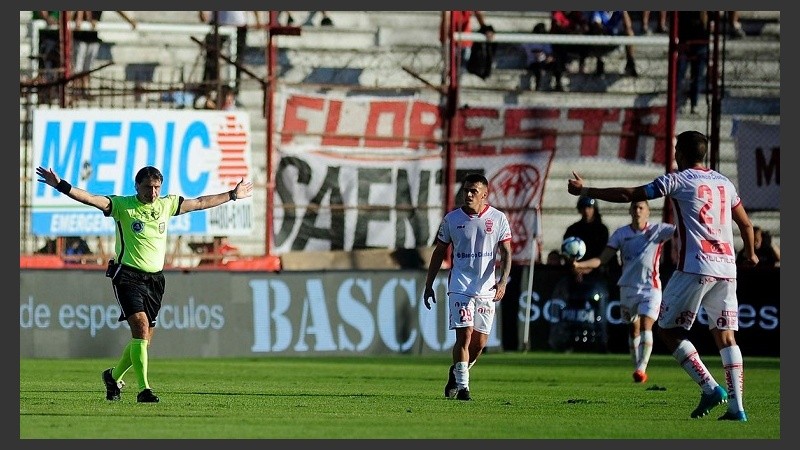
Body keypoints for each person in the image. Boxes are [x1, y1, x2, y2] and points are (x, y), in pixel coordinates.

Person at [567, 130, 757, 422]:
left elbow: (629, 194)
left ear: (681, 153)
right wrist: (751, 254)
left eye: (676, 149)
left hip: (695, 267)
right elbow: (746, 224)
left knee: (668, 331)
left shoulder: (678, 180)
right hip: (726, 268)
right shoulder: (725, 183)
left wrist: (586, 190)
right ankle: (737, 408)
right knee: (727, 337)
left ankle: (709, 387)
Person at [35, 165, 253, 403]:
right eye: (148, 187)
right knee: (139, 326)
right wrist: (60, 185)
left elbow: (200, 202)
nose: (153, 192)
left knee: (144, 340)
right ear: (136, 186)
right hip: (127, 276)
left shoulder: (167, 205)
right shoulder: (122, 206)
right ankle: (144, 389)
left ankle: (112, 377)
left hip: (155, 280)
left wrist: (232, 195)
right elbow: (90, 198)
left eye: (157, 187)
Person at [423, 173, 512, 401]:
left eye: (474, 191)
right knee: (464, 335)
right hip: (460, 286)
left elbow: (506, 253)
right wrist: (429, 284)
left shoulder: (498, 218)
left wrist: (502, 281)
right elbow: (439, 252)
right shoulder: (452, 219)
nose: (469, 195)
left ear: (484, 194)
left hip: (486, 288)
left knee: (479, 343)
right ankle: (463, 388)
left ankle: (456, 372)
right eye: (466, 190)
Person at [572, 200, 676, 383]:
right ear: (630, 210)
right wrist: (580, 265)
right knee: (633, 328)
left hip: (651, 288)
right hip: (628, 288)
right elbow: (602, 259)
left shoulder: (659, 230)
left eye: (641, 208)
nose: (637, 211)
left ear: (648, 212)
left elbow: (683, 230)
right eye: (634, 207)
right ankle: (637, 365)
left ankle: (641, 369)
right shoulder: (621, 234)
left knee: (646, 325)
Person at [72, 11, 137, 100]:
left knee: (88, 67)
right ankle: (76, 91)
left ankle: (85, 91)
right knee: (78, 67)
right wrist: (84, 19)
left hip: (92, 37)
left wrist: (129, 20)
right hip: (80, 36)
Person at [198, 11, 262, 96]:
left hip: (238, 23)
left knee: (237, 59)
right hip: (219, 22)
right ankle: (208, 88)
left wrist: (258, 19)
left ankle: (233, 91)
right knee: (212, 55)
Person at [563, 196, 619, 278]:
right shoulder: (573, 229)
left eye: (589, 207)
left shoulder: (601, 230)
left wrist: (585, 270)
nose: (586, 211)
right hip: (575, 272)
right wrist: (575, 270)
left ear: (594, 209)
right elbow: (566, 252)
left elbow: (602, 255)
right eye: (583, 208)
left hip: (597, 272)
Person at [676, 11, 709, 115]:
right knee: (679, 76)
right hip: (686, 45)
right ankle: (677, 102)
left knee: (697, 77)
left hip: (700, 46)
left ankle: (694, 104)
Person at [522, 22, 564, 91]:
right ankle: (537, 86)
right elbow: (529, 51)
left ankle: (558, 84)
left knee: (556, 65)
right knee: (537, 68)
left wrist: (549, 58)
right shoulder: (529, 41)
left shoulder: (545, 40)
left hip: (544, 61)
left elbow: (549, 52)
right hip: (534, 62)